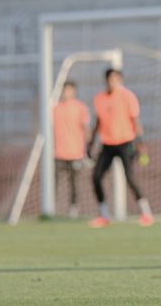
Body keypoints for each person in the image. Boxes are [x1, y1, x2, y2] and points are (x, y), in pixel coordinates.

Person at [87, 69, 154, 228]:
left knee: (130, 177)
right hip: (108, 144)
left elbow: (135, 121)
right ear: (106, 80)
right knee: (96, 176)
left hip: (126, 143)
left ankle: (146, 213)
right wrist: (91, 143)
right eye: (110, 79)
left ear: (120, 80)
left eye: (116, 79)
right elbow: (98, 123)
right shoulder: (99, 98)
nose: (113, 82)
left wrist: (141, 143)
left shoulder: (127, 96)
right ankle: (103, 215)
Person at [53, 81, 90, 219]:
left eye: (69, 90)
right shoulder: (55, 108)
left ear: (74, 92)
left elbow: (86, 129)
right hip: (57, 153)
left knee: (74, 183)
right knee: (53, 182)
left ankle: (73, 209)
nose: (66, 93)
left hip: (75, 152)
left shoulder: (80, 108)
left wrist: (87, 149)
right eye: (64, 90)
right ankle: (50, 208)